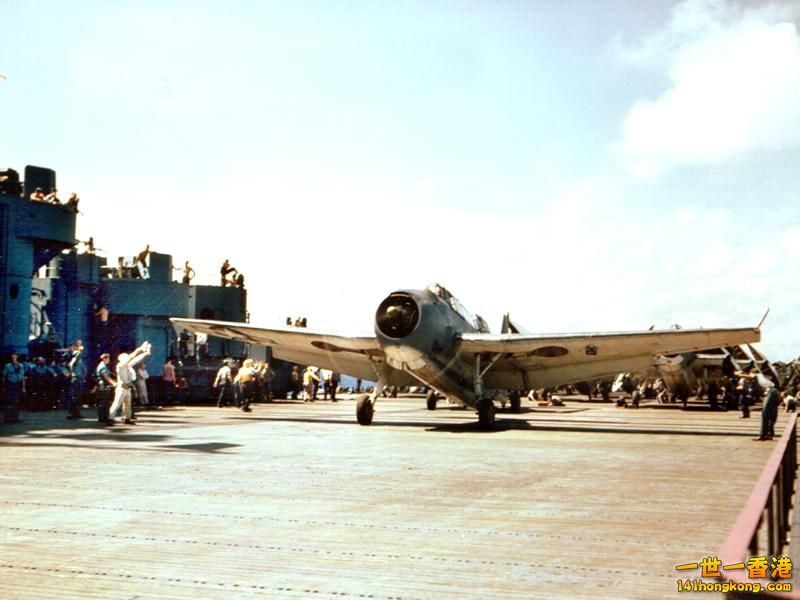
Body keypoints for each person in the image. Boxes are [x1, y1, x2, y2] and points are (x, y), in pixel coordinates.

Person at [109, 342, 151, 425]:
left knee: (127, 404)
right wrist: (139, 350)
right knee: (117, 403)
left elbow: (135, 359)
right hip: (121, 387)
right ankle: (110, 418)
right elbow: (132, 357)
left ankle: (127, 418)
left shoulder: (127, 365)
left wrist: (144, 353)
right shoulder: (120, 366)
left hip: (127, 387)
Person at [67, 340, 87, 419]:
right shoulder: (75, 356)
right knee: (74, 396)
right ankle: (72, 414)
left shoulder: (78, 359)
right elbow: (71, 365)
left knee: (78, 397)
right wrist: (73, 373)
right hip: (76, 378)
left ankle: (76, 413)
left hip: (79, 378)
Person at [2, 352, 25, 424]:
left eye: (15, 357)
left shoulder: (20, 366)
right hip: (10, 385)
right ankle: (7, 418)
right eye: (12, 358)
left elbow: (22, 377)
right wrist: (4, 386)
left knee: (16, 402)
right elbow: (4, 376)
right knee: (9, 402)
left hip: (17, 385)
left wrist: (23, 387)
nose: (13, 359)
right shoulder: (7, 366)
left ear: (17, 358)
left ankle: (16, 418)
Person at [95, 353, 116, 425]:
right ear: (104, 359)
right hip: (103, 386)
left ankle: (103, 417)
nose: (109, 360)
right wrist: (114, 383)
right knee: (103, 402)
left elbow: (108, 374)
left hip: (103, 386)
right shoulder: (102, 367)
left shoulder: (103, 366)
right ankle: (102, 417)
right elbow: (106, 377)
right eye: (108, 359)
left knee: (104, 402)